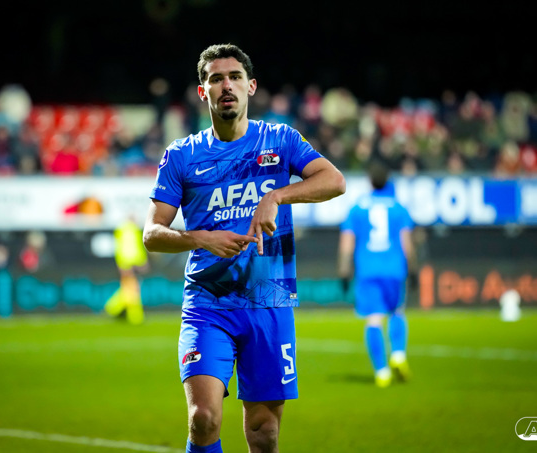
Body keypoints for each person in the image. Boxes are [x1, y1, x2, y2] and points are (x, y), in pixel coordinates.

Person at [143, 44, 345, 453]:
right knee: (203, 419)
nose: (227, 86)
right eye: (216, 79)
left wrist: (277, 196)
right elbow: (151, 233)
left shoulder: (280, 139)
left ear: (250, 86)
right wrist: (199, 238)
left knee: (264, 432)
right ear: (203, 92)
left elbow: (334, 181)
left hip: (268, 300)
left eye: (235, 77)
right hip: (208, 303)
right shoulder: (181, 156)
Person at [337, 159, 417, 388]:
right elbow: (406, 242)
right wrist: (413, 268)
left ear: (370, 181)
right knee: (397, 311)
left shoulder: (357, 208)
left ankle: (382, 372)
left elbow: (347, 242)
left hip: (368, 270)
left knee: (373, 319)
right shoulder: (398, 208)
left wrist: (344, 271)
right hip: (394, 269)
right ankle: (398, 355)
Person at [105, 215, 149, 325]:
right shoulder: (132, 230)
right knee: (132, 288)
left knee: (129, 288)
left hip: (125, 262)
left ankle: (115, 308)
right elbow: (134, 248)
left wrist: (121, 263)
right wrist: (141, 261)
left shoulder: (121, 230)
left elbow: (121, 248)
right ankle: (132, 315)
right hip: (130, 262)